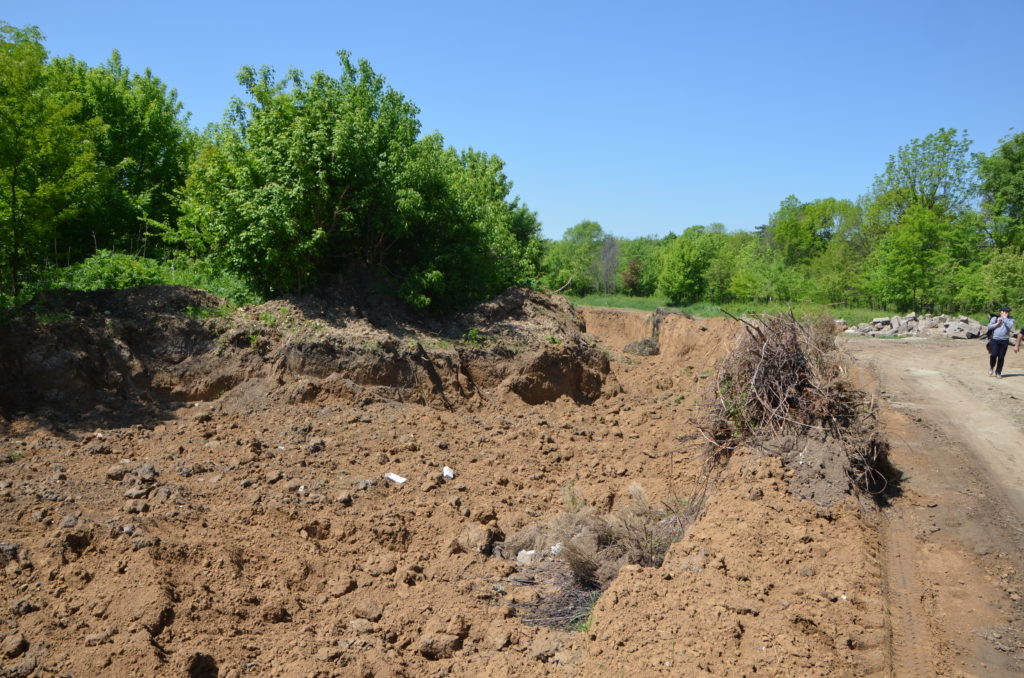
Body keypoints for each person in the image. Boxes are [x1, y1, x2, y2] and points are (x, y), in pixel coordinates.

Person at [988, 306, 1014, 377]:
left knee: (1001, 357)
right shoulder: (995, 318)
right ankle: (991, 367)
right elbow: (989, 327)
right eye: (1005, 311)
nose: (1007, 313)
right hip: (995, 339)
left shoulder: (1010, 319)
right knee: (993, 354)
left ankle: (998, 372)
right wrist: (997, 323)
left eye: (1008, 311)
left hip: (1004, 340)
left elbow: (1010, 326)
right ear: (1001, 311)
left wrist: (1004, 318)